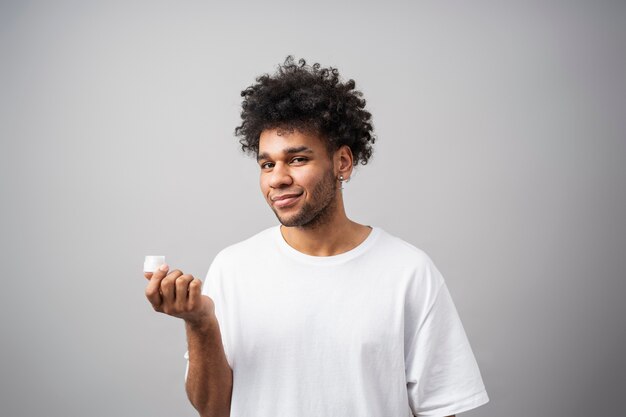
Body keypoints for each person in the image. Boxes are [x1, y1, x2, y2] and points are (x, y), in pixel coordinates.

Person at [143, 56, 489, 417]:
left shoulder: (408, 271)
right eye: (267, 164)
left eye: (296, 160)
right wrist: (199, 322)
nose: (277, 178)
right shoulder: (234, 267)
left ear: (342, 162)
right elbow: (214, 410)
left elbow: (440, 408)